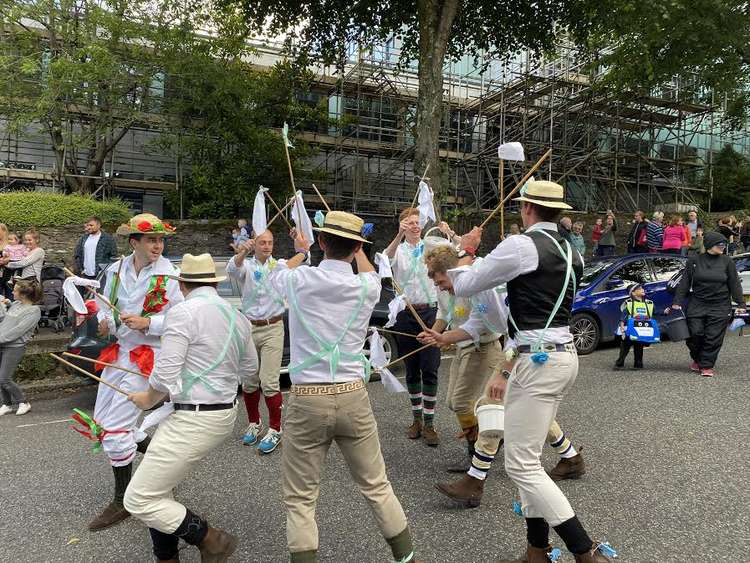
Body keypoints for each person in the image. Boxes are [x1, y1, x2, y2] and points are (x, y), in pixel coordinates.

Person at [454, 180, 614, 562]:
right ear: (557, 211)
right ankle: (536, 550)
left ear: (526, 208)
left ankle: (585, 551)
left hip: (538, 361)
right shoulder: (571, 250)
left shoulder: (521, 245)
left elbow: (465, 284)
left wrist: (466, 250)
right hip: (558, 355)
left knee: (521, 465)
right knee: (528, 462)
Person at [269, 212, 421, 563]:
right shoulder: (365, 286)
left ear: (322, 242)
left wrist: (302, 250)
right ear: (356, 248)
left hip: (308, 397)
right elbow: (372, 273)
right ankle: (407, 558)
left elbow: (274, 272)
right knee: (376, 485)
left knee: (301, 498)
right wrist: (359, 247)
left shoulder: (299, 279)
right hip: (353, 394)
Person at [421, 246, 585, 510]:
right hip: (523, 350)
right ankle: (571, 457)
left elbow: (516, 329)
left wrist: (505, 372)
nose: (440, 288)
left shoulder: (491, 284)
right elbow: (476, 325)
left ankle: (475, 481)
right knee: (522, 410)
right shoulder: (476, 290)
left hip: (531, 352)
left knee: (490, 404)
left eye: (441, 281)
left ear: (455, 273)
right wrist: (442, 337)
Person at [124, 253, 258, 563]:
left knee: (140, 498)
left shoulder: (182, 313)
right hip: (223, 414)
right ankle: (167, 555)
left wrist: (146, 399)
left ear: (182, 284)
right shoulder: (238, 316)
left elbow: (166, 372)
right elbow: (251, 370)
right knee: (158, 485)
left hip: (194, 419)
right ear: (214, 282)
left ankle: (212, 539)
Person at [87, 213, 183, 532]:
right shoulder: (114, 270)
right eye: (151, 240)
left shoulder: (170, 275)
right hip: (119, 354)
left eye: (160, 239)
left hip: (148, 357)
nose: (158, 245)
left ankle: (123, 500)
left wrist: (150, 323)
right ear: (134, 243)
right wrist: (104, 321)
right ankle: (166, 468)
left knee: (115, 429)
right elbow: (104, 307)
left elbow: (185, 320)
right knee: (101, 423)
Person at [383, 207, 441, 446]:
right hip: (407, 313)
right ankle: (416, 419)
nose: (415, 226)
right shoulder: (398, 250)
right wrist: (398, 236)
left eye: (417, 222)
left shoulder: (431, 246)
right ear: (402, 226)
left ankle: (429, 423)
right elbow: (384, 261)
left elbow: (450, 255)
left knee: (430, 368)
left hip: (431, 312)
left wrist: (447, 233)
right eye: (409, 223)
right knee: (411, 367)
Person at [227, 229, 286, 454]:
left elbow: (302, 260)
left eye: (270, 242)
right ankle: (254, 423)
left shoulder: (278, 266)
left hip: (273, 327)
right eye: (262, 242)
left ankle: (276, 428)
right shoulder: (247, 267)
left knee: (269, 381)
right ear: (255, 243)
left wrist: (301, 247)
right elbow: (233, 268)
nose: (267, 246)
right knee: (249, 380)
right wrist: (243, 250)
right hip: (250, 327)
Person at [670, 232, 746, 377]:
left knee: (713, 336)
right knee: (694, 334)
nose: (723, 247)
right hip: (698, 303)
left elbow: (734, 284)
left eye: (724, 244)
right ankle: (698, 359)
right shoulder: (694, 260)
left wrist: (741, 302)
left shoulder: (727, 261)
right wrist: (677, 302)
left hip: (720, 305)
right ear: (711, 244)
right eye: (720, 244)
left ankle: (706, 365)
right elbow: (685, 283)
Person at [0, 277, 42, 416]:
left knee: (5, 378)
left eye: (15, 290)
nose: (12, 292)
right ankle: (6, 404)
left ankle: (23, 402)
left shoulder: (34, 311)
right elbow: (5, 320)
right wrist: (4, 305)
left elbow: (18, 331)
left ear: (23, 294)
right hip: (2, 343)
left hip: (14, 347)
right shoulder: (16, 304)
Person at [614, 284, 654, 370]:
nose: (642, 289)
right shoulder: (629, 304)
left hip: (642, 329)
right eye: (639, 289)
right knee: (625, 346)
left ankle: (638, 363)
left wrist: (664, 312)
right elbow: (623, 317)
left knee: (639, 346)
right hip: (629, 329)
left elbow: (654, 313)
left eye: (642, 288)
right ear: (633, 293)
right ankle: (619, 363)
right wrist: (622, 328)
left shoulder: (648, 303)